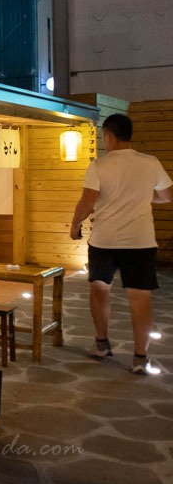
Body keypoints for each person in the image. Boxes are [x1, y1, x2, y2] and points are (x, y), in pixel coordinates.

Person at [69, 113, 173, 374]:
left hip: (105, 240)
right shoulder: (150, 162)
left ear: (109, 136)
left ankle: (102, 343)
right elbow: (166, 195)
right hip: (140, 241)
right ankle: (140, 357)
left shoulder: (99, 165)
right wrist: (139, 197)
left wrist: (75, 224)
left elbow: (87, 201)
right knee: (140, 298)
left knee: (99, 289)